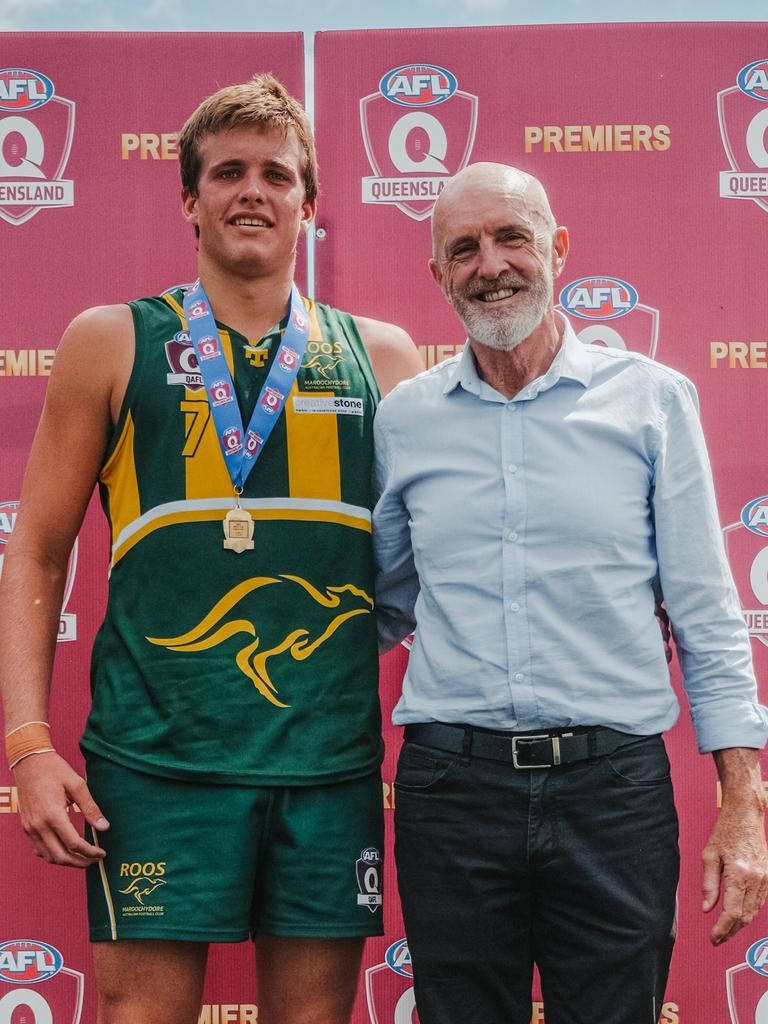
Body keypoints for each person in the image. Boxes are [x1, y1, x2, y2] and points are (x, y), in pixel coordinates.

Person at [0, 74, 422, 1024]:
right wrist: (28, 746)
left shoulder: (383, 357)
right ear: (188, 199)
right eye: (227, 171)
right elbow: (34, 553)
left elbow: (451, 550)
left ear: (309, 206)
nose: (252, 191)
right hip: (156, 763)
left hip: (328, 763)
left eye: (277, 174)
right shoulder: (112, 341)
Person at [373, 161, 768, 1024]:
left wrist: (744, 803)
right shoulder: (404, 420)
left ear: (557, 248)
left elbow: (705, 611)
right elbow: (382, 604)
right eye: (464, 248)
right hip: (452, 791)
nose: (491, 263)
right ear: (439, 276)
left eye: (511, 236)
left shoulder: (653, 403)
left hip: (614, 793)